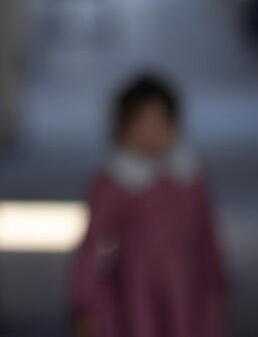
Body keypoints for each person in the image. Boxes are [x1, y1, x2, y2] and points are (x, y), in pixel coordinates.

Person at [71, 74, 228, 337]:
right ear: (123, 129)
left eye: (160, 123)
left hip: (189, 290)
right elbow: (93, 246)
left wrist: (218, 284)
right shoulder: (115, 182)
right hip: (134, 294)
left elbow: (207, 236)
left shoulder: (189, 176)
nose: (152, 133)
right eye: (143, 124)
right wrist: (86, 304)